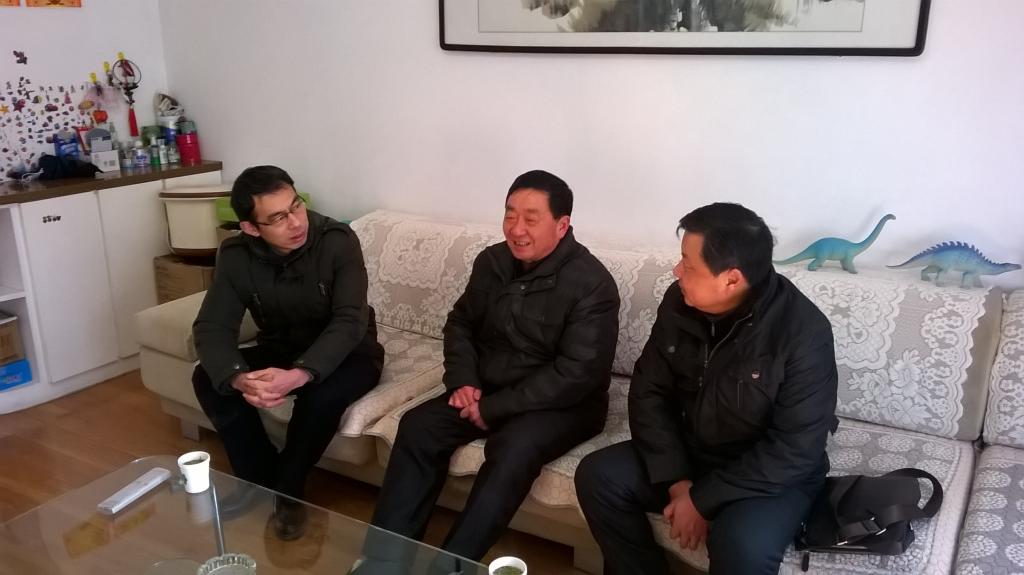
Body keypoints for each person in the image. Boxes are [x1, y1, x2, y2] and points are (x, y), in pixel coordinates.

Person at [368, 169, 620, 562]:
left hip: (564, 405)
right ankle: (383, 563)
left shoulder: (592, 284)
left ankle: (451, 567)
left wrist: (494, 408)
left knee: (513, 448)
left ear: (562, 225)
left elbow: (577, 374)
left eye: (531, 219)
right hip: (488, 385)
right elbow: (461, 322)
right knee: (419, 426)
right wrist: (463, 380)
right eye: (510, 215)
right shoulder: (493, 261)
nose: (516, 229)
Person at [575, 202, 838, 575]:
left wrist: (702, 500)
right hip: (693, 449)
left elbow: (796, 449)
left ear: (731, 279)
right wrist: (677, 482)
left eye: (688, 264)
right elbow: (649, 391)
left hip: (767, 474)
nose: (676, 271)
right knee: (598, 476)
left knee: (742, 543)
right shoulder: (679, 302)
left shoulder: (803, 332)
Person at [192, 165, 384, 540]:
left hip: (352, 352)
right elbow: (213, 326)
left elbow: (350, 320)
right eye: (278, 218)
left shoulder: (337, 240)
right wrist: (238, 377)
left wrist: (300, 374)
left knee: (320, 395)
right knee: (208, 376)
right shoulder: (236, 255)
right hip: (281, 348)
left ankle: (289, 489)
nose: (296, 222)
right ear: (251, 228)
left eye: (296, 205)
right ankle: (258, 480)